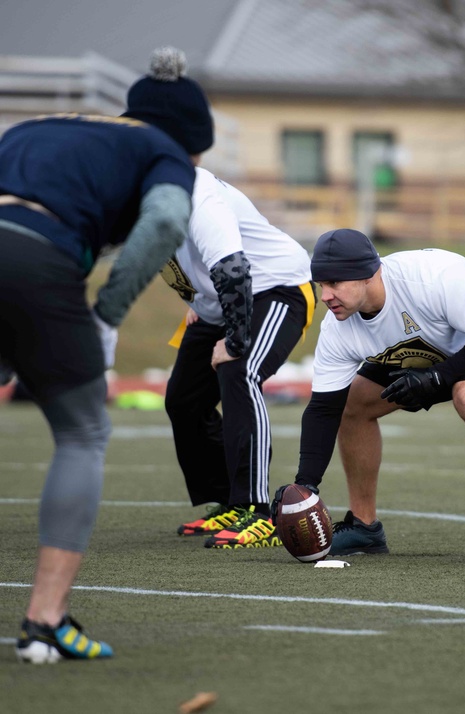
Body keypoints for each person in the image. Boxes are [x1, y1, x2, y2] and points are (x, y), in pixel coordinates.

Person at [0, 47, 211, 662]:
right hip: (39, 258)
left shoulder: (35, 128)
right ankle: (45, 622)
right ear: (188, 140)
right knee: (84, 430)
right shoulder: (163, 149)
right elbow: (168, 219)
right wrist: (105, 315)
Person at [273, 229, 465, 566]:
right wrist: (305, 486)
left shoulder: (429, 280)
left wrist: (436, 377)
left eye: (335, 283)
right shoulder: (339, 328)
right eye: (320, 284)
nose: (325, 295)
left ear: (371, 273)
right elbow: (324, 408)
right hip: (445, 345)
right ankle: (364, 527)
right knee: (354, 402)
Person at [165, 166, 314, 549]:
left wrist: (233, 342)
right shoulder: (133, 197)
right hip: (220, 301)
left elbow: (235, 269)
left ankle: (258, 509)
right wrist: (195, 298)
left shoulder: (195, 190)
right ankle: (230, 501)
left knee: (240, 370)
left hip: (275, 286)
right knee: (184, 399)